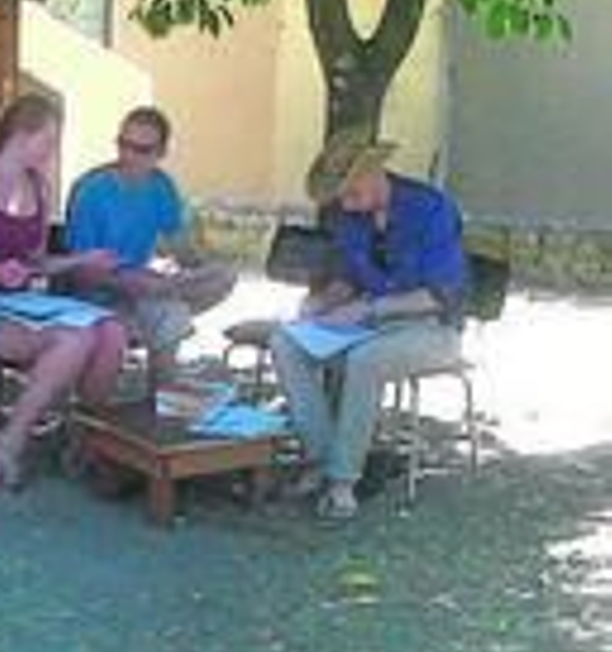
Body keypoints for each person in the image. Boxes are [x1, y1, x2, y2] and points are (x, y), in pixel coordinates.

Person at [0, 94, 129, 493]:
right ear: (22, 136)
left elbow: (35, 262)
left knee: (112, 333)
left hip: (20, 304)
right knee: (75, 340)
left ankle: (85, 439)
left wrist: (82, 260)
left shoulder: (37, 187)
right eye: (48, 140)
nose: (52, 150)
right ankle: (10, 444)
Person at [270, 127, 469, 521]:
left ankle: (342, 483)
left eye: (349, 191)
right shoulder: (350, 215)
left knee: (365, 359)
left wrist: (370, 309)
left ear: (373, 172)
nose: (345, 203)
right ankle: (320, 458)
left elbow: (441, 296)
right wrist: (321, 303)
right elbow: (348, 277)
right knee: (285, 343)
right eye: (339, 195)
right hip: (370, 325)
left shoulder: (431, 209)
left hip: (432, 328)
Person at [58, 106, 236, 378]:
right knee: (169, 312)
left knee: (221, 277)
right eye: (123, 145)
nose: (128, 156)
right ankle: (163, 386)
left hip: (142, 289)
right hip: (96, 292)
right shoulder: (92, 191)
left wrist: (201, 270)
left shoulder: (161, 186)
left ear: (160, 153)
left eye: (141, 150)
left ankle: (162, 387)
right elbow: (81, 272)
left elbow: (183, 249)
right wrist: (137, 283)